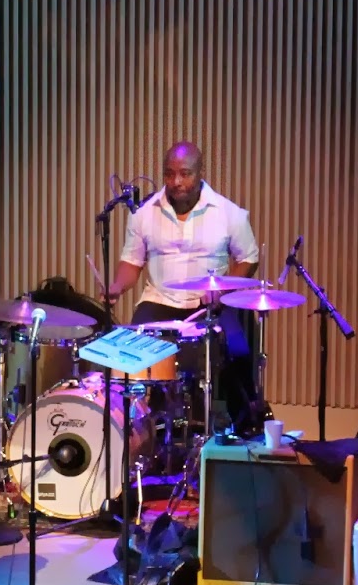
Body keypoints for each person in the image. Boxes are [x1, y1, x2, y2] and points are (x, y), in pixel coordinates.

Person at [106, 140, 260, 424]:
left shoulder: (229, 213)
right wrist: (117, 287)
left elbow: (248, 257)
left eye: (185, 173)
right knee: (130, 348)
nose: (176, 181)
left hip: (208, 303)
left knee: (238, 352)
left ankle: (245, 424)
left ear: (200, 173)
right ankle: (145, 425)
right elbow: (132, 261)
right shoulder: (143, 214)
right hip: (160, 300)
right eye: (169, 173)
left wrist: (223, 291)